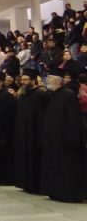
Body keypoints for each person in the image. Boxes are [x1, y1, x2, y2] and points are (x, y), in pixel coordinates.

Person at [41, 68, 86, 202]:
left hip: (65, 140)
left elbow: (72, 120)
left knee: (66, 168)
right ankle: (55, 191)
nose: (48, 81)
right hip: (54, 140)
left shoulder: (68, 95)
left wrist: (70, 139)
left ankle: (66, 193)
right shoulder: (53, 95)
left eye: (50, 79)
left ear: (58, 81)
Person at [14, 69, 48, 194]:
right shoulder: (23, 95)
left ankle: (35, 186)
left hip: (34, 134)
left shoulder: (40, 94)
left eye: (25, 80)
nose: (23, 82)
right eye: (22, 80)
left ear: (33, 80)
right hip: (23, 133)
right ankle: (25, 183)